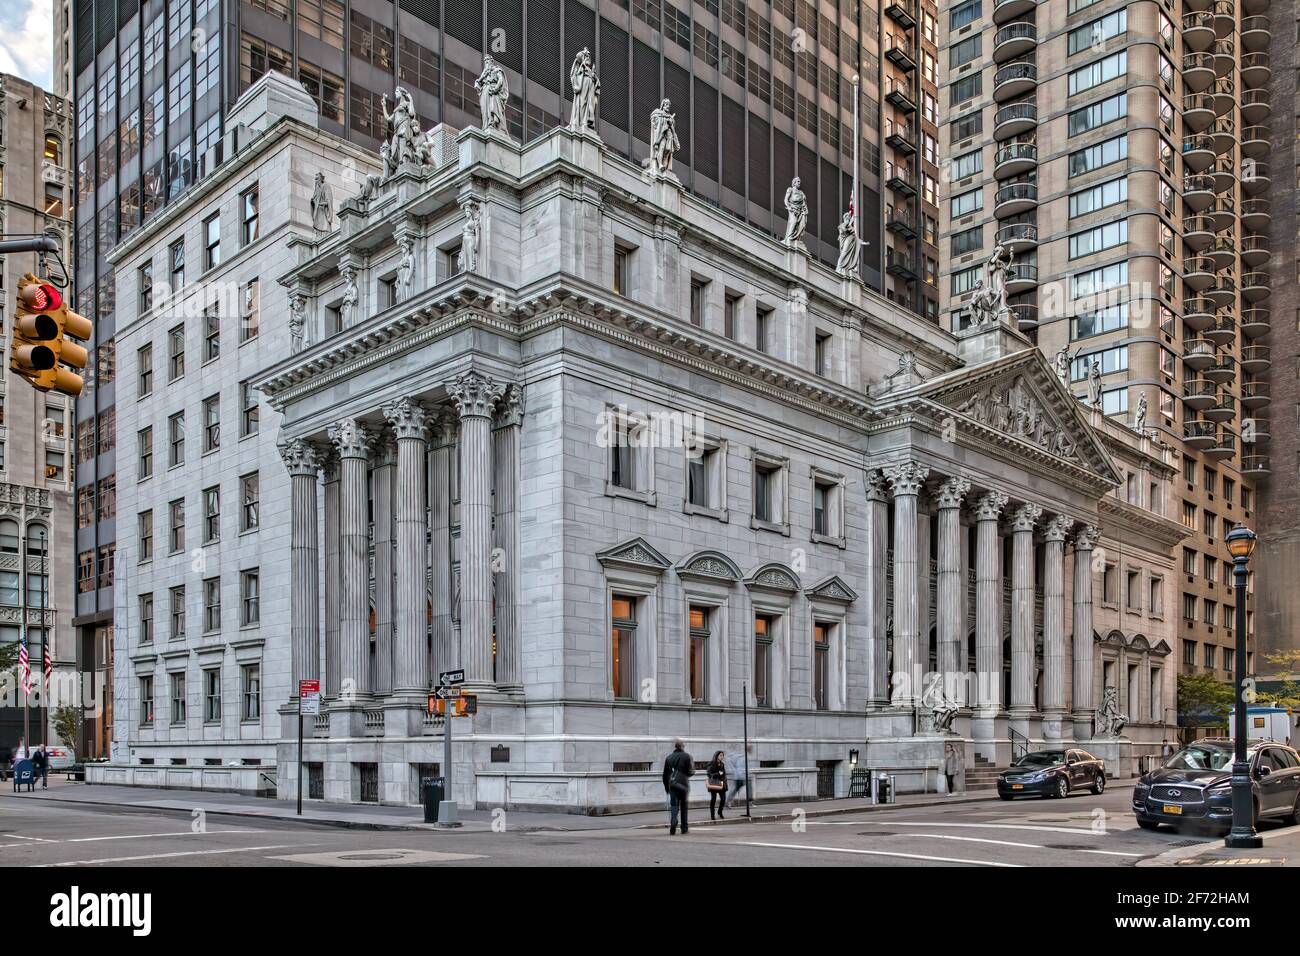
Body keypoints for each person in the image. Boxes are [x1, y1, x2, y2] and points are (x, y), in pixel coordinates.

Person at [662, 738, 695, 835]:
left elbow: (665, 775)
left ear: (675, 747)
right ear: (683, 746)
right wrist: (685, 775)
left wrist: (667, 788)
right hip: (684, 784)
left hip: (672, 784)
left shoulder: (669, 757)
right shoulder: (687, 756)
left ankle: (673, 821)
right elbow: (692, 771)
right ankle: (684, 828)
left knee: (674, 805)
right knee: (684, 806)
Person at [706, 750, 728, 821]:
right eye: (720, 755)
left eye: (722, 755)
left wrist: (724, 781)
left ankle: (720, 812)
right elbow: (709, 774)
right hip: (714, 783)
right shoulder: (711, 764)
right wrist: (718, 774)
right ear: (716, 756)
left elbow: (723, 773)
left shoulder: (722, 764)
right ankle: (712, 815)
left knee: (723, 799)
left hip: (721, 783)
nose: (722, 757)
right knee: (713, 799)